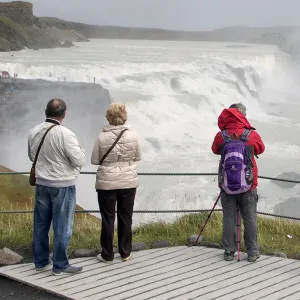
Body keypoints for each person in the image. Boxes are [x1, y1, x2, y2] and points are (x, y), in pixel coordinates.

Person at [28, 98, 86, 275]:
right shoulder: (65, 134)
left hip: (42, 184)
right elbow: (79, 160)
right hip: (62, 185)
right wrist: (81, 151)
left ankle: (40, 261)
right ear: (64, 114)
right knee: (62, 226)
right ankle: (60, 264)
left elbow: (32, 156)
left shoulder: (34, 131)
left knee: (41, 224)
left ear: (46, 112)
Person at [211, 103, 265, 262]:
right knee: (249, 218)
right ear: (242, 116)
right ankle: (253, 252)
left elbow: (215, 150)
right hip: (248, 184)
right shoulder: (251, 135)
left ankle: (229, 251)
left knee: (228, 217)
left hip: (227, 184)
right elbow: (261, 149)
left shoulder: (221, 136)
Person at [91, 103, 141, 263]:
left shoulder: (101, 137)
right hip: (128, 181)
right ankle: (125, 252)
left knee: (108, 218)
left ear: (109, 118)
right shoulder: (133, 136)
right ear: (124, 117)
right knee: (126, 217)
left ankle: (107, 254)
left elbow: (94, 160)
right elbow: (138, 157)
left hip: (107, 182)